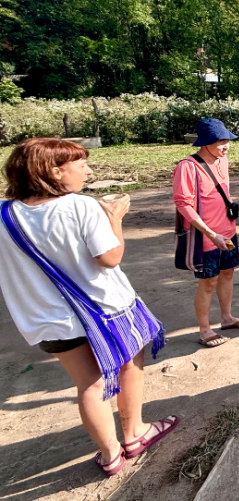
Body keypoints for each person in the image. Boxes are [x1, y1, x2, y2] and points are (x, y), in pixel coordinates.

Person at [0, 139, 177, 476]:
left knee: (89, 386)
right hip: (106, 310)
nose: (89, 171)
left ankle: (110, 455)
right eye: (81, 165)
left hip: (47, 320)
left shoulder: (4, 214)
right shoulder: (79, 206)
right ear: (54, 170)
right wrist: (115, 218)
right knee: (129, 366)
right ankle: (135, 433)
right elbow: (110, 258)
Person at [172, 118, 239, 348]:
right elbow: (184, 204)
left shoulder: (223, 160)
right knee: (208, 282)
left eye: (227, 141)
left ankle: (227, 318)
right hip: (206, 236)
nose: (225, 146)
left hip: (228, 230)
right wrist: (210, 234)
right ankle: (205, 329)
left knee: (227, 274)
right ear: (205, 142)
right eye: (220, 142)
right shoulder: (187, 166)